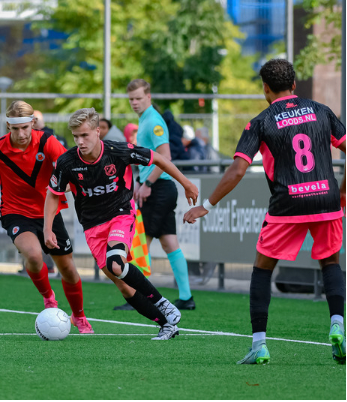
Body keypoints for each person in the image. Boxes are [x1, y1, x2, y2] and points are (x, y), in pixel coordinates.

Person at [184, 59, 347, 365]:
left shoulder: (260, 121)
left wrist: (206, 206)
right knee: (330, 262)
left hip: (288, 203)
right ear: (295, 84)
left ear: (266, 89)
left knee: (262, 268)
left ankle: (259, 344)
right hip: (326, 200)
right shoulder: (322, 111)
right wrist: (342, 191)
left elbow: (237, 170)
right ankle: (338, 325)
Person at [44, 107, 199, 340]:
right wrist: (47, 228)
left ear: (98, 132)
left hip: (120, 214)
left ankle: (163, 302)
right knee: (123, 285)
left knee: (116, 263)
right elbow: (53, 193)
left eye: (85, 135)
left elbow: (158, 158)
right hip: (92, 226)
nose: (80, 141)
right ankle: (166, 323)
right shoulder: (67, 162)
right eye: (76, 136)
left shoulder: (118, 150)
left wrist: (186, 183)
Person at [0, 100, 93, 334]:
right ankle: (49, 298)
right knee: (33, 255)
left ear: (33, 123)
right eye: (15, 129)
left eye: (25, 127)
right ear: (8, 126)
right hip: (15, 212)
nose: (21, 134)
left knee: (68, 269)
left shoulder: (47, 142)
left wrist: (75, 187)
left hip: (49, 213)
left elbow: (71, 169)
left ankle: (79, 316)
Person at [127, 79, 197, 310]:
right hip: (160, 188)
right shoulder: (146, 119)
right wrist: (140, 181)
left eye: (138, 98)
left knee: (140, 242)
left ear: (148, 96)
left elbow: (164, 156)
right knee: (169, 243)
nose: (134, 102)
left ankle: (139, 297)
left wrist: (147, 182)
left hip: (158, 189)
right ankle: (186, 297)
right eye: (131, 99)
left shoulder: (153, 120)